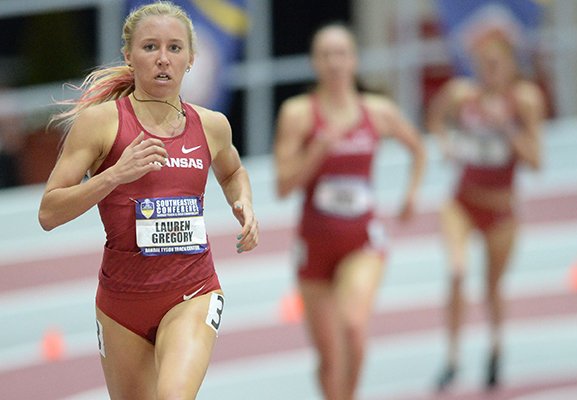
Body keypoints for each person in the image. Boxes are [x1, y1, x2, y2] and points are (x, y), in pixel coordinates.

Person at [38, 2, 258, 399]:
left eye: (174, 48)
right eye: (150, 47)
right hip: (121, 307)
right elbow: (49, 212)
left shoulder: (212, 125)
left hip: (193, 292)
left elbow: (232, 171)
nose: (162, 59)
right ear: (128, 55)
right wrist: (115, 175)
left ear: (191, 59)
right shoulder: (100, 124)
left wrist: (243, 203)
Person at [274, 23, 426, 400]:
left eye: (341, 53)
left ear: (354, 60)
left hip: (362, 241)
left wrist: (411, 194)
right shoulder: (298, 114)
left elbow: (418, 148)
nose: (334, 62)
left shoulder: (378, 111)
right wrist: (316, 153)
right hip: (314, 246)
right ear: (314, 62)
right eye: (325, 55)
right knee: (328, 358)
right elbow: (282, 187)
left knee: (353, 327)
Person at [426, 28, 545, 391]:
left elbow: (536, 161)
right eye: (483, 64)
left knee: (492, 286)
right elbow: (434, 118)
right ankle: (452, 358)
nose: (489, 70)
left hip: (502, 210)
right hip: (462, 203)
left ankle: (495, 349)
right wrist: (445, 142)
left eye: (496, 64)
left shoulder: (523, 100)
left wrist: (505, 127)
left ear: (510, 65)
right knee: (457, 272)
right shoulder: (462, 94)